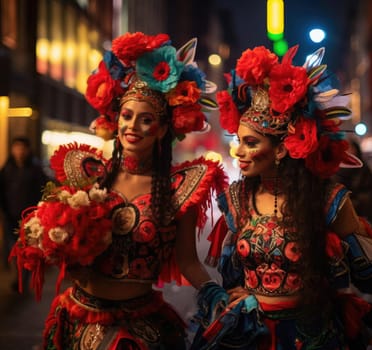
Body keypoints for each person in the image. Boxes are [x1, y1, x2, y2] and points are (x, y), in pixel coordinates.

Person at [9, 32, 228, 349]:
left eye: (146, 119)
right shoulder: (86, 174)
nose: (132, 127)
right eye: (127, 116)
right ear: (116, 119)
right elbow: (56, 237)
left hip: (141, 326)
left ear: (163, 129)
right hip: (78, 317)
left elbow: (188, 262)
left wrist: (215, 292)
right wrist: (43, 239)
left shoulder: (179, 189)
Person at [191, 45, 372, 349]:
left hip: (310, 334)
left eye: (250, 143)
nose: (239, 152)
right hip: (251, 334)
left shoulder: (327, 201)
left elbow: (367, 275)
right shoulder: (236, 200)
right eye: (238, 141)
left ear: (280, 149)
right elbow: (231, 276)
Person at [0, 136, 48, 291]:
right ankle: (18, 276)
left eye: (22, 148)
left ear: (28, 150)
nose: (19, 151)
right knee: (13, 248)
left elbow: (43, 191)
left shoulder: (35, 170)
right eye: (16, 147)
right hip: (10, 217)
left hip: (30, 219)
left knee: (27, 250)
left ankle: (23, 279)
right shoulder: (6, 169)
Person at [334, 138, 372, 223]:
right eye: (344, 149)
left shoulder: (363, 170)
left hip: (361, 216)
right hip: (340, 216)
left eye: (349, 148)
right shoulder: (335, 171)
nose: (347, 151)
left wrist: (352, 204)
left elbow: (368, 194)